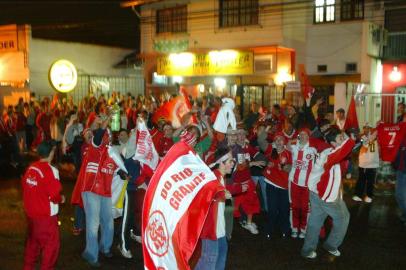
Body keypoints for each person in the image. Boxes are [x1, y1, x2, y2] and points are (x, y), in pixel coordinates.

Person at [301, 127, 355, 259]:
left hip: (316, 192)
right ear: (333, 143)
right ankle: (331, 245)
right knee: (343, 218)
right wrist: (352, 140)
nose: (343, 139)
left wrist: (359, 141)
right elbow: (344, 151)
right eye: (340, 138)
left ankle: (307, 250)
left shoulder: (329, 151)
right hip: (325, 195)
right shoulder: (330, 155)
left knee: (315, 221)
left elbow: (346, 151)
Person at [22, 140, 65, 270]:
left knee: (32, 247)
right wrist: (61, 198)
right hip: (46, 218)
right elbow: (54, 195)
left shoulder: (31, 168)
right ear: (51, 152)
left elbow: (26, 187)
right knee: (51, 248)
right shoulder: (50, 170)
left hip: (31, 216)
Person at [195, 147, 234, 270]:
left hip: (219, 228)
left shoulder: (221, 177)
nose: (233, 163)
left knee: (221, 253)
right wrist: (222, 194)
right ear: (221, 163)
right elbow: (210, 193)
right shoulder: (214, 176)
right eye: (230, 161)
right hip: (211, 229)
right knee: (209, 261)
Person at [288, 128, 317, 239]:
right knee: (294, 207)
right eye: (301, 135)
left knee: (305, 208)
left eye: (305, 134)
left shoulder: (312, 150)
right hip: (294, 182)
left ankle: (304, 229)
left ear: (309, 136)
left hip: (307, 184)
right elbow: (287, 145)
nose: (303, 136)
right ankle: (294, 228)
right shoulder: (294, 148)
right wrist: (296, 139)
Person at [352, 124, 379, 203]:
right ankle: (358, 195)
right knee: (361, 180)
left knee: (370, 181)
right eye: (364, 128)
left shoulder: (374, 140)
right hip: (362, 164)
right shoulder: (362, 138)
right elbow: (360, 145)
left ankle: (369, 195)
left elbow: (371, 150)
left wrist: (369, 140)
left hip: (371, 165)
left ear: (371, 129)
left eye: (368, 128)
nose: (366, 130)